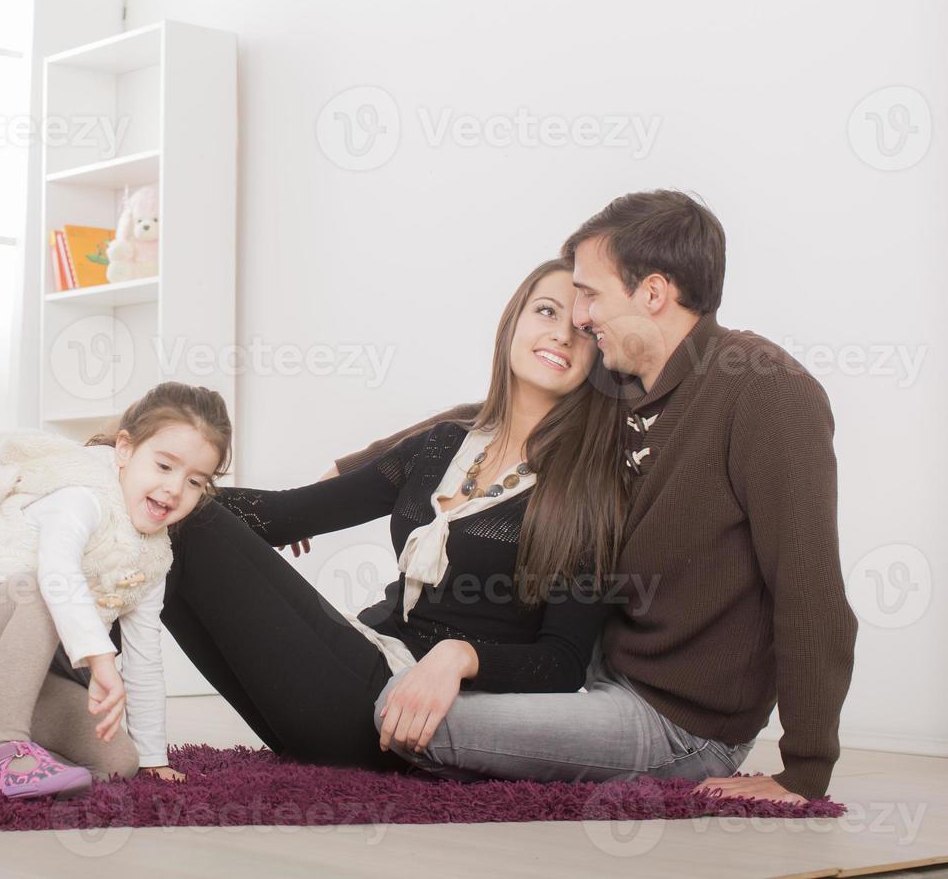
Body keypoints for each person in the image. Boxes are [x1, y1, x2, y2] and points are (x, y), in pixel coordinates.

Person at [332, 190, 857, 803]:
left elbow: (810, 588)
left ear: (653, 293)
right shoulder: (622, 384)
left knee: (407, 717)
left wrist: (807, 770)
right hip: (593, 687)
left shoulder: (766, 392)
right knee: (401, 701)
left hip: (682, 725)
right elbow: (495, 416)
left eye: (591, 293)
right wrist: (349, 470)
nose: (579, 317)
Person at [161, 259, 632, 773]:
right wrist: (141, 479)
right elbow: (281, 515)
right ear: (514, 321)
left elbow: (562, 663)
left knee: (178, 518)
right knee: (162, 522)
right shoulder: (442, 445)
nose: (562, 335)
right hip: (354, 663)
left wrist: (461, 656)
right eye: (546, 311)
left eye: (583, 330)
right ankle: (78, 698)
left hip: (396, 713)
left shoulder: (592, 488)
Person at [0, 382, 232, 799]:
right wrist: (101, 661)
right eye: (164, 466)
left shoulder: (153, 555)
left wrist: (155, 756)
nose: (175, 488)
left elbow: (144, 657)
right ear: (124, 449)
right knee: (45, 588)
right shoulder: (82, 494)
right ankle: (3, 751)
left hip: (15, 675)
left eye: (195, 481)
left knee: (119, 763)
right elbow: (57, 571)